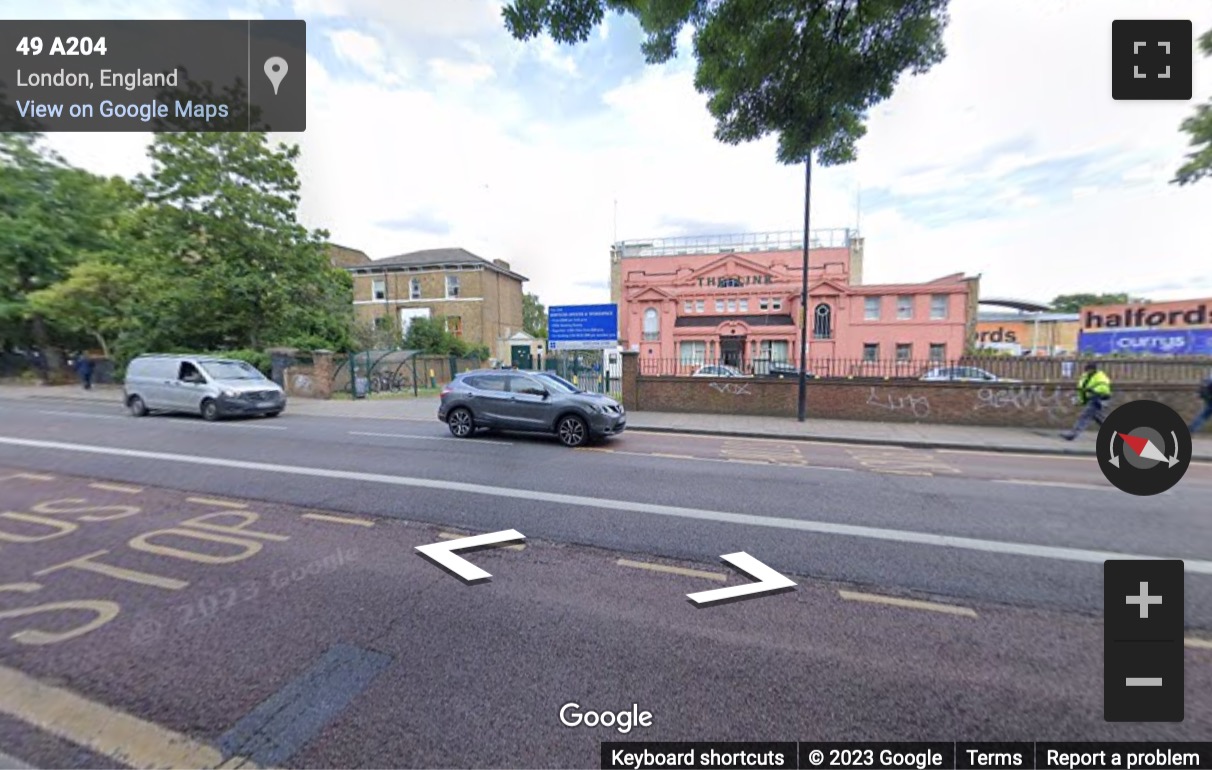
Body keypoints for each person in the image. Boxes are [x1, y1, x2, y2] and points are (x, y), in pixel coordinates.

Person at [1061, 362, 1112, 440]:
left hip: (1097, 399)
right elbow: (1082, 388)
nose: (1087, 371)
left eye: (1089, 370)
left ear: (1093, 369)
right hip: (1091, 399)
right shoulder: (1086, 376)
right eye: (1087, 370)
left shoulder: (1100, 377)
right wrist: (1081, 400)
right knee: (1099, 418)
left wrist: (1093, 390)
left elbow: (1104, 388)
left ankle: (1072, 434)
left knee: (1084, 416)